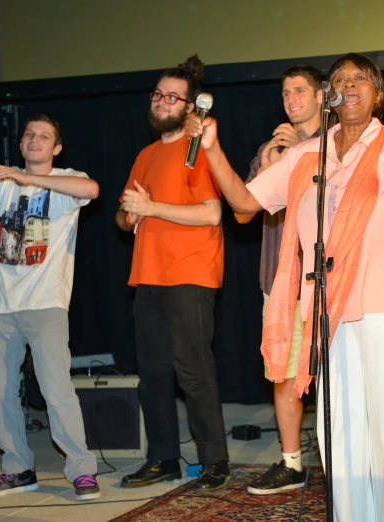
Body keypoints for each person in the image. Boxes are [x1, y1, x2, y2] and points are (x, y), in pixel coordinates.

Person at [186, 48, 384, 521]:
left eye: (362, 78)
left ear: (377, 95)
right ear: (330, 96)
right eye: (342, 79)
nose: (350, 85)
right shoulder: (305, 155)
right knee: (341, 429)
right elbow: (243, 202)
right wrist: (212, 147)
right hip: (327, 307)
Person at [0, 115, 101, 501]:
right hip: (0, 306)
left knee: (56, 389)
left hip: (46, 303)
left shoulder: (65, 179)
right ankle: (18, 468)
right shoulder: (5, 180)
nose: (34, 139)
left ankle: (81, 469)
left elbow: (92, 189)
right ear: (21, 142)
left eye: (44, 136)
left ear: (56, 148)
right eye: (29, 134)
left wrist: (31, 180)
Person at [115, 55, 229, 491]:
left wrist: (150, 208)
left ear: (189, 105)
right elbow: (124, 218)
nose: (162, 102)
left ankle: (215, 460)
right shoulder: (145, 155)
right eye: (157, 95)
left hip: (190, 274)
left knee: (194, 371)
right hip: (148, 276)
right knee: (153, 375)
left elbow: (212, 213)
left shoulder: (197, 148)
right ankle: (163, 458)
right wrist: (131, 217)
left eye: (172, 97)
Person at [237, 65, 324, 495]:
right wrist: (270, 163)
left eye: (300, 91)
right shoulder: (269, 149)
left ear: (321, 96)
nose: (291, 99)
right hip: (281, 278)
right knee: (284, 373)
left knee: (337, 374)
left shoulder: (338, 145)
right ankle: (292, 464)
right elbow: (245, 209)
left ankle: (345, 458)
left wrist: (304, 149)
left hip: (329, 279)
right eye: (286, 92)